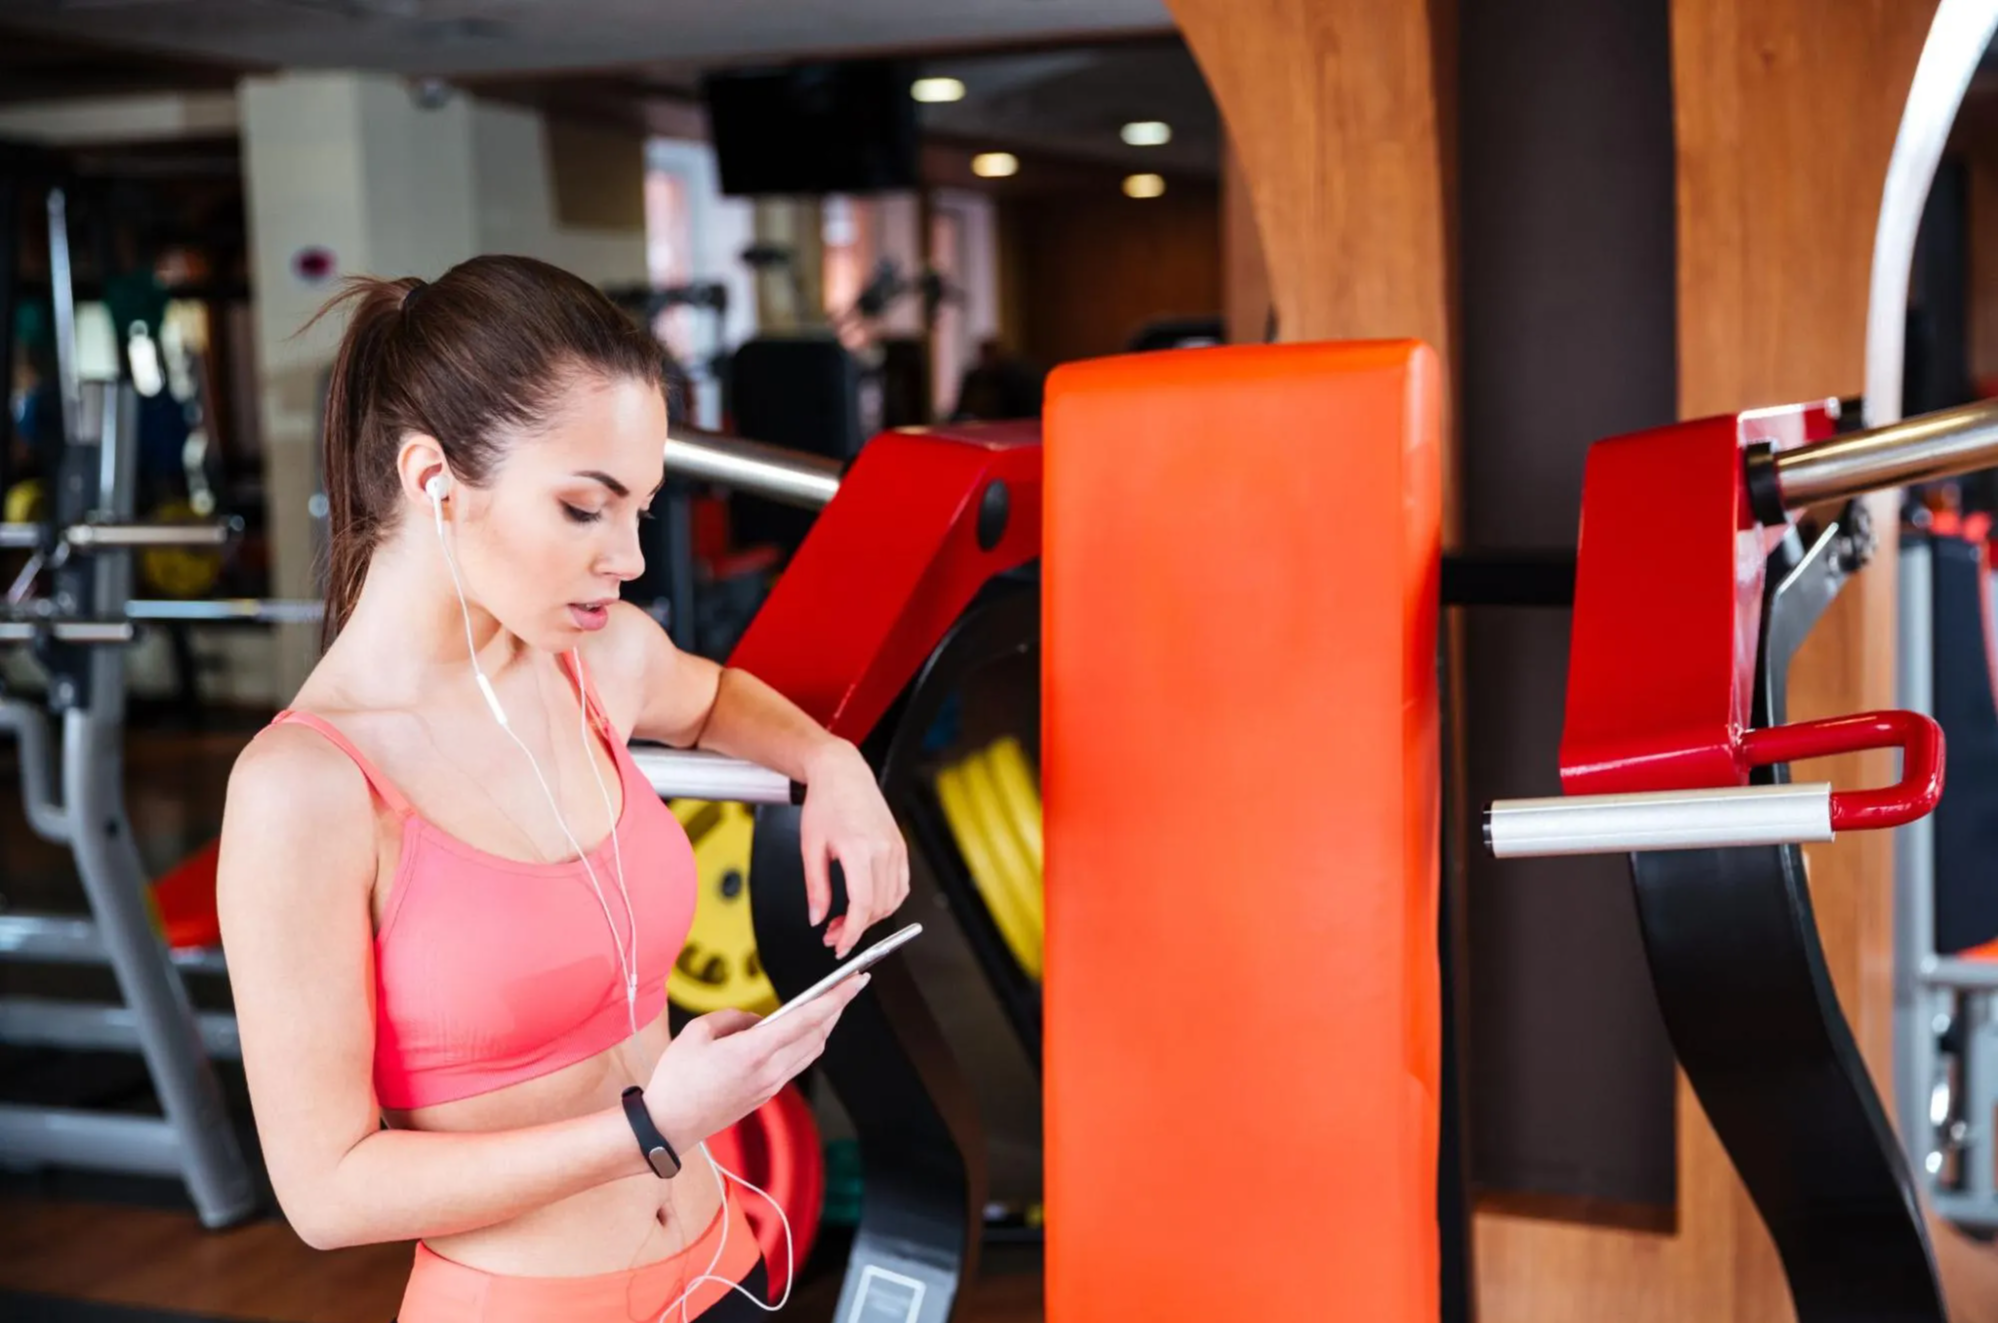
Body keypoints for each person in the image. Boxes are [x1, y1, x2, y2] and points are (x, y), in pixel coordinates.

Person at [215, 255, 910, 1322]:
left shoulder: (593, 663)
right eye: (585, 508)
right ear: (434, 481)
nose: (629, 558)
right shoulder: (306, 790)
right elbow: (326, 1192)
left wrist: (831, 762)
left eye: (639, 507)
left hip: (719, 1265)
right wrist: (652, 1122)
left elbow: (717, 694)